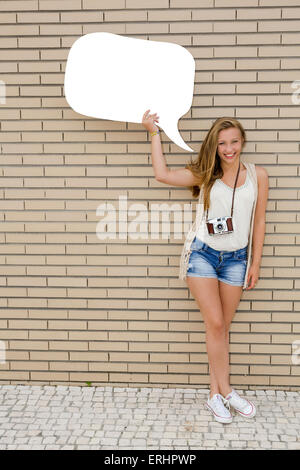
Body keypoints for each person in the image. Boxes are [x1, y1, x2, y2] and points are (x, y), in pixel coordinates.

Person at [142, 109, 269, 424]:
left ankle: (214, 393)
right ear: (214, 146)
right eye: (222, 143)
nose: (228, 149)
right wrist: (153, 132)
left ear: (242, 142)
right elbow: (163, 174)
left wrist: (255, 263)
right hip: (203, 255)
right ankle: (227, 391)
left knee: (221, 328)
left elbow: (260, 220)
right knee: (215, 323)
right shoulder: (205, 173)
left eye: (234, 142)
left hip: (237, 259)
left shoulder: (258, 176)